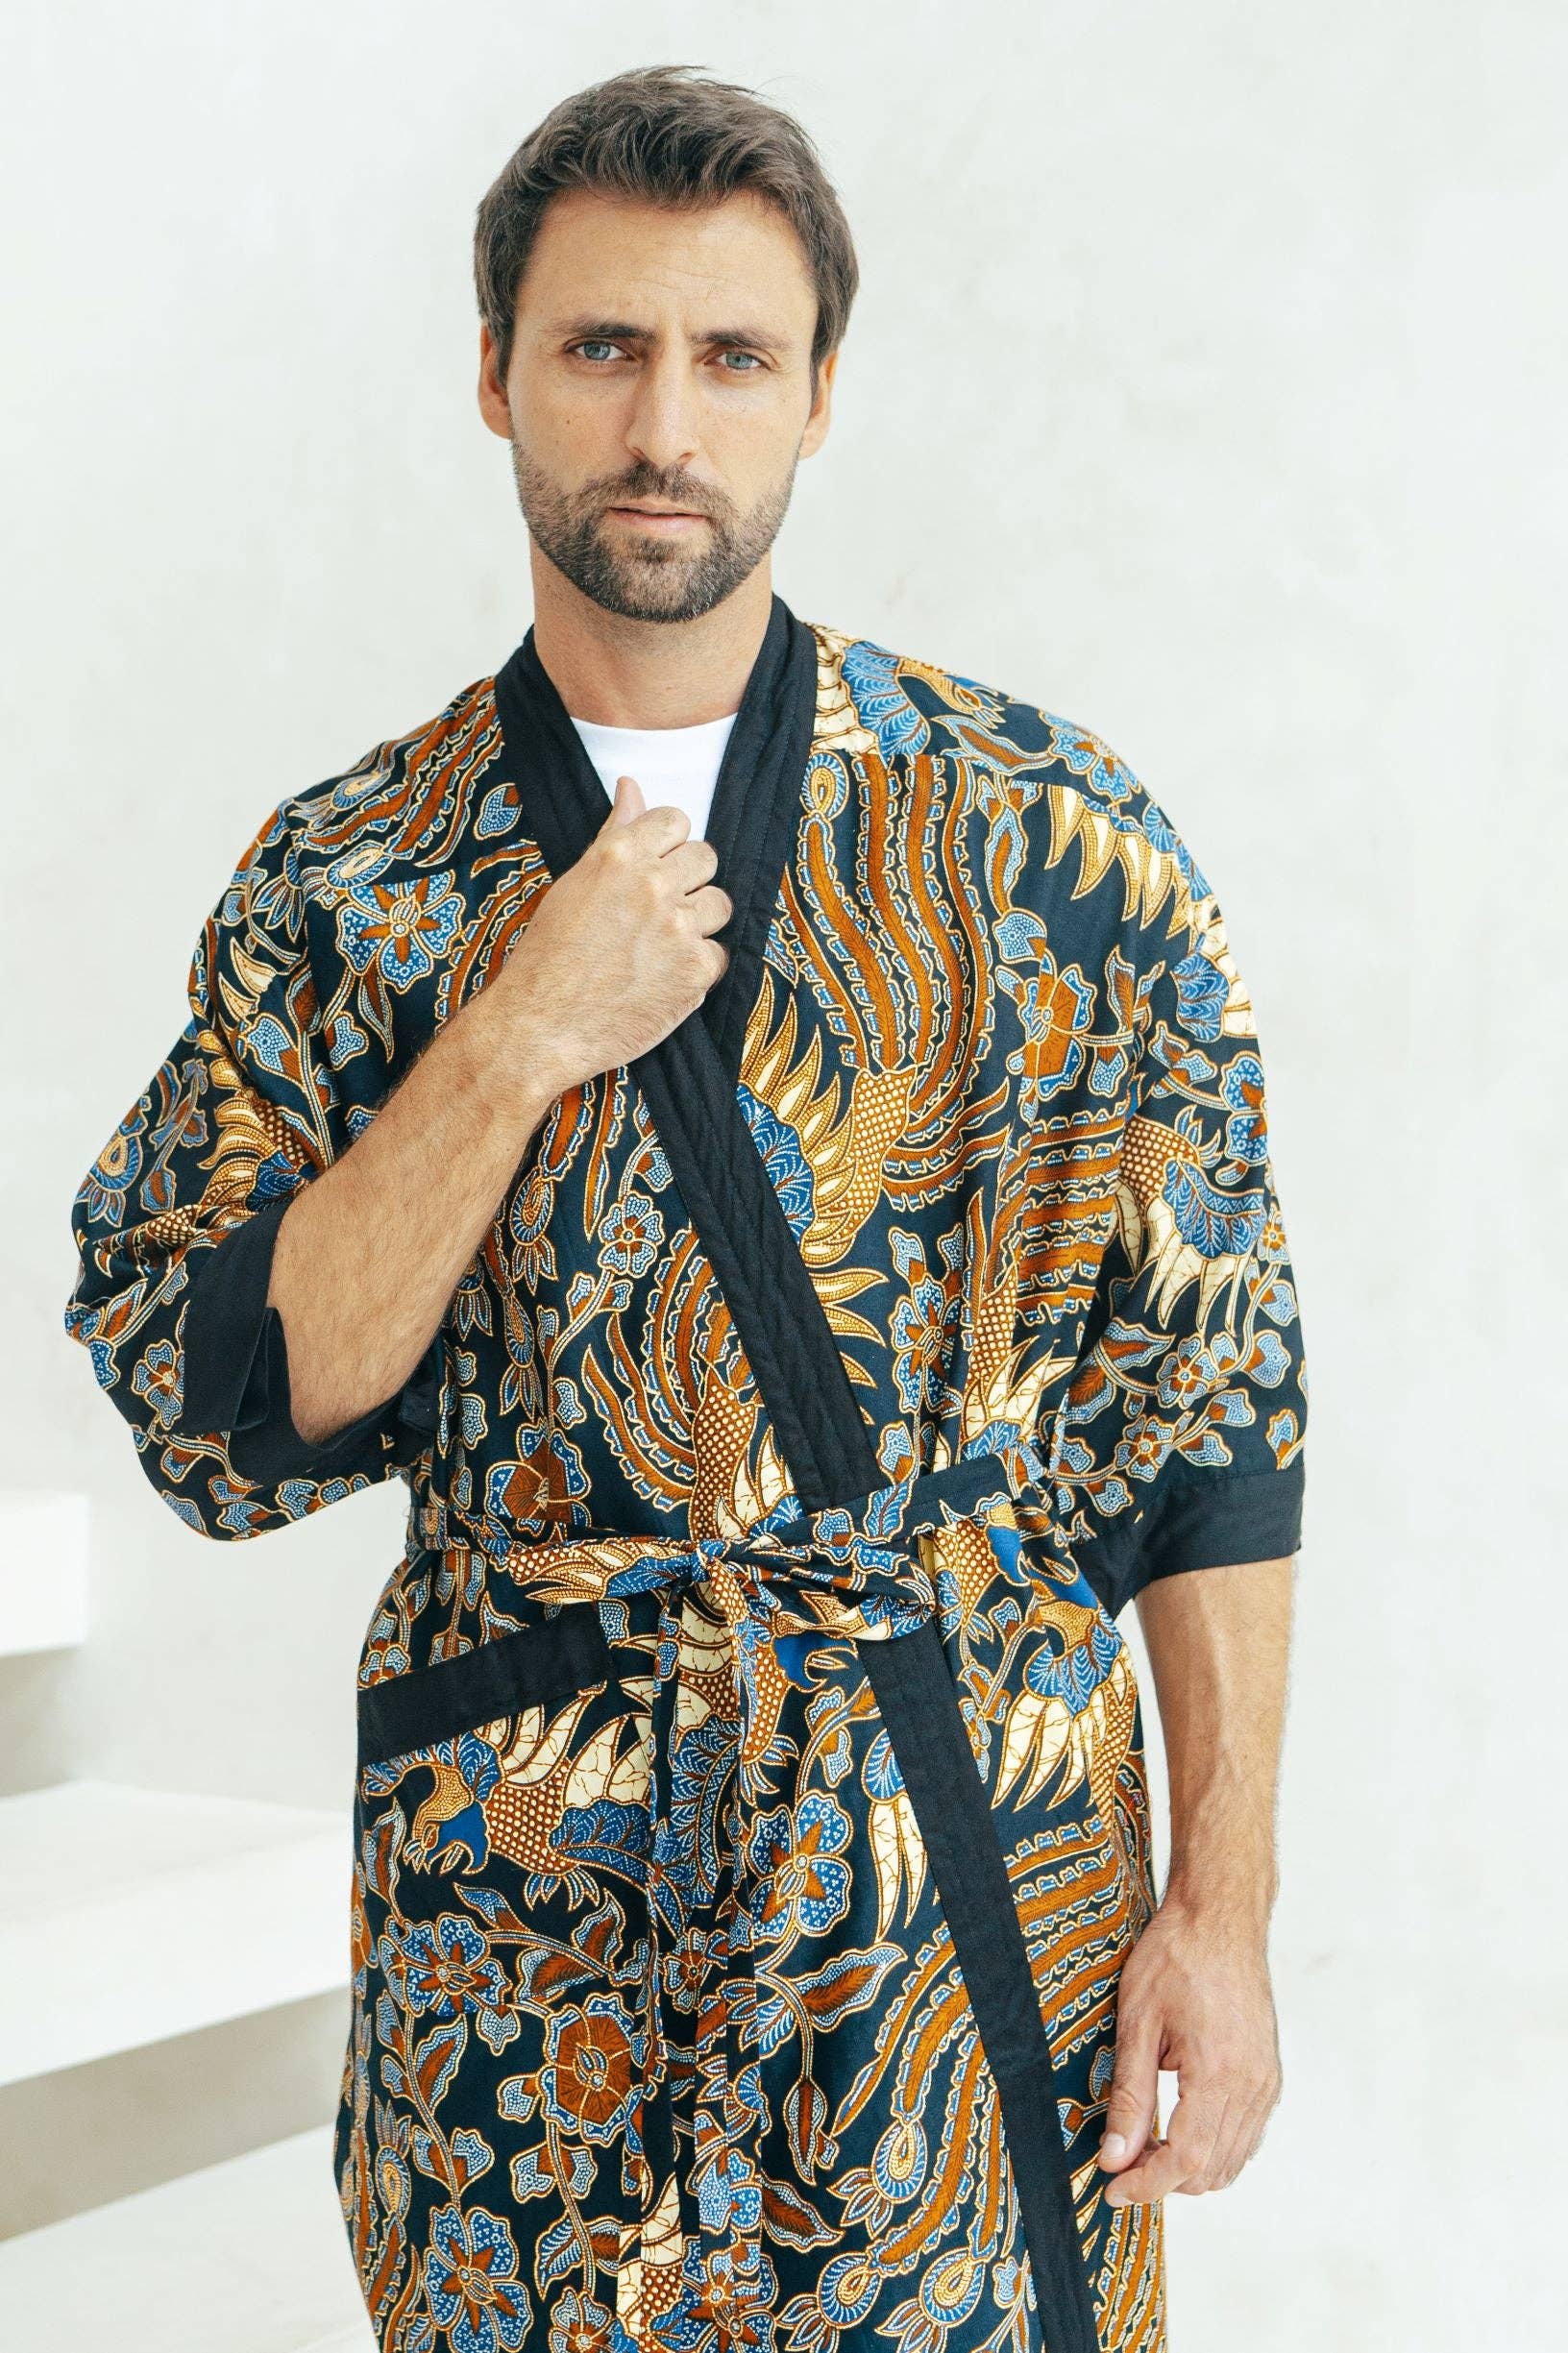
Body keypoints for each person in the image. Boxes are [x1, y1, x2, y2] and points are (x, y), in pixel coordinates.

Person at [62, 63, 1307, 2353]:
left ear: (821, 392)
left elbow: (1210, 1416)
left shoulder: (1053, 839)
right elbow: (230, 1408)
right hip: (537, 1909)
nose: (663, 423)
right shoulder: (350, 881)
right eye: (602, 347)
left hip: (962, 1869)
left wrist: (1222, 1917)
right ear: (495, 373)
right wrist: (515, 1032)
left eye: (733, 355)